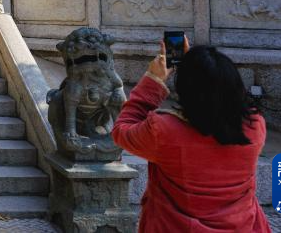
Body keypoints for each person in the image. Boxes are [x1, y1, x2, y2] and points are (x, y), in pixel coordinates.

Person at [112, 38, 269, 233]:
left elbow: (122, 130)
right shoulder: (255, 126)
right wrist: (198, 66)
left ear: (185, 90)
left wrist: (153, 80)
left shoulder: (165, 131)